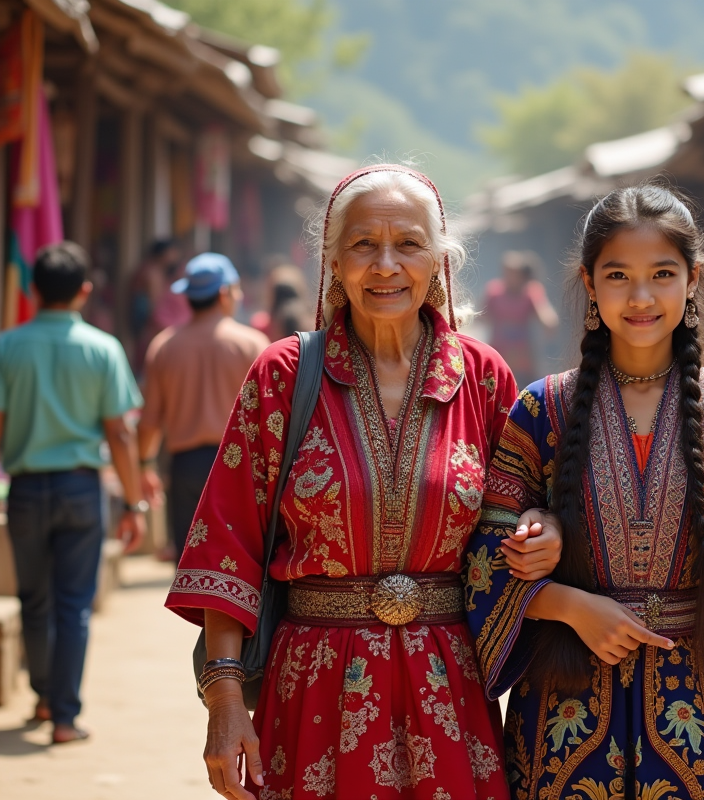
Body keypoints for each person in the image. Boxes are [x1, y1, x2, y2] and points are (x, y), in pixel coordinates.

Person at [164, 165, 563, 800]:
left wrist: (544, 533)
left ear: (438, 260)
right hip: (313, 691)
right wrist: (225, 700)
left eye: (407, 244)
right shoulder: (283, 376)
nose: (385, 266)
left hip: (449, 693)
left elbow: (526, 510)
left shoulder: (485, 378)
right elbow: (228, 544)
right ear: (334, 260)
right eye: (362, 245)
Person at [465, 185, 704, 800]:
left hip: (700, 719)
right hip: (563, 717)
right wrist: (568, 604)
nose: (640, 297)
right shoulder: (540, 410)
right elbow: (481, 564)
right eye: (618, 276)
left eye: (662, 273)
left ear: (694, 279)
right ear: (589, 283)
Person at [0, 241, 147, 744]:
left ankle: (43, 695)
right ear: (85, 291)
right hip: (80, 489)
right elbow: (120, 433)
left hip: (24, 490)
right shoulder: (102, 348)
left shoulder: (7, 346)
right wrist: (133, 504)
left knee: (34, 598)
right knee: (73, 604)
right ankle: (65, 716)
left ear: (32, 288)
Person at [137, 253, 270, 563]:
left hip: (185, 466)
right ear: (224, 294)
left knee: (191, 565)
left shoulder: (165, 346)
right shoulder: (251, 344)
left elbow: (149, 421)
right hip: (239, 465)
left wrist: (145, 465)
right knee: (238, 563)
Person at [483, 250, 559, 385]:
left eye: (512, 273)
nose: (507, 276)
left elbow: (547, 318)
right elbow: (482, 317)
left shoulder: (531, 292)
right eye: (505, 271)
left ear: (522, 275)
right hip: (499, 353)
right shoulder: (494, 292)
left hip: (524, 358)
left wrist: (548, 327)